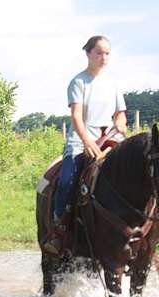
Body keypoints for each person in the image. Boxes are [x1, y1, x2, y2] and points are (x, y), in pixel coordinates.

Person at [43, 35, 127, 256]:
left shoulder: (113, 83)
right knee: (65, 182)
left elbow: (121, 113)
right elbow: (77, 117)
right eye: (99, 52)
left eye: (107, 53)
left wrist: (120, 121)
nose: (103, 57)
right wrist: (87, 141)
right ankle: (58, 230)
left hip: (109, 137)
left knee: (134, 168)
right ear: (88, 54)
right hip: (81, 140)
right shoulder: (78, 82)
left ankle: (145, 223)